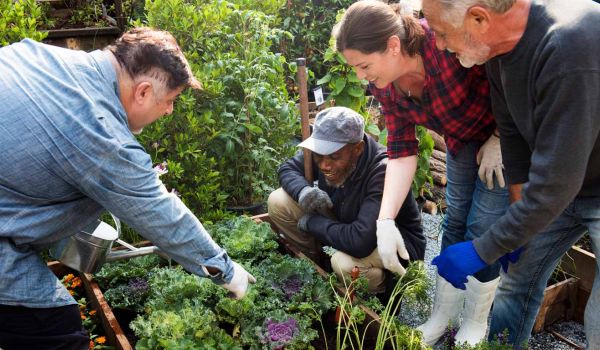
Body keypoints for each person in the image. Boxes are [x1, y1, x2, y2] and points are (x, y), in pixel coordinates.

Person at [0, 28, 255, 350]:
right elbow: (159, 212)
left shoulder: (43, 56)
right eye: (170, 101)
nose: (169, 111)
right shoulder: (99, 130)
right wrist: (226, 271)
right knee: (55, 330)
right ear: (144, 91)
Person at [420, 0, 600, 347]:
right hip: (566, 181)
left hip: (576, 180)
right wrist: (517, 224)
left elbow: (553, 186)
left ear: (479, 18)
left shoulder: (568, 45)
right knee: (517, 279)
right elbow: (513, 137)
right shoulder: (499, 52)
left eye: (442, 33)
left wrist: (481, 249)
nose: (439, 45)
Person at [333, 0, 510, 346]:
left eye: (364, 64)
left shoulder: (445, 42)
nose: (360, 76)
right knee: (455, 221)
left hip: (504, 142)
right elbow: (401, 150)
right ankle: (442, 316)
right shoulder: (385, 84)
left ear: (393, 46)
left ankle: (475, 322)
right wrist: (384, 221)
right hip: (461, 142)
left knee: (482, 226)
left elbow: (505, 76)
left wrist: (501, 137)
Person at [267, 106, 425, 296]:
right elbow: (288, 168)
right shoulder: (328, 154)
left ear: (357, 148)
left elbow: (360, 241)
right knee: (278, 200)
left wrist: (312, 223)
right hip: (345, 225)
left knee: (343, 264)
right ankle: (315, 267)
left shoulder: (382, 171)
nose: (325, 165)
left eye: (334, 156)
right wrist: (303, 191)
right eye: (320, 155)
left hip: (392, 247)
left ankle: (381, 292)